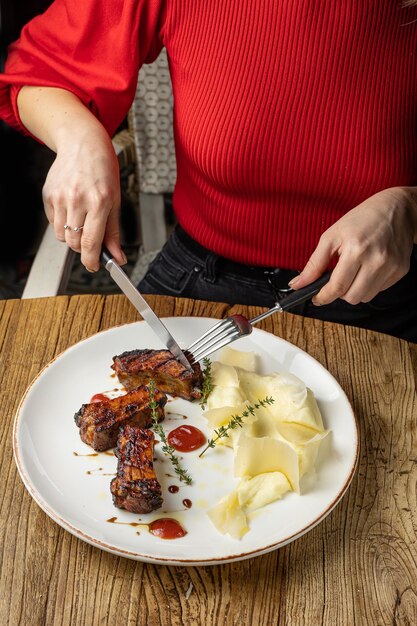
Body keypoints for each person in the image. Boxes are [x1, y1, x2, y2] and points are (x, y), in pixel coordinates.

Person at [1, 0, 417, 341]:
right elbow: (38, 72)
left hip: (379, 293)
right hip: (203, 275)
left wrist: (410, 206)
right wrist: (80, 140)